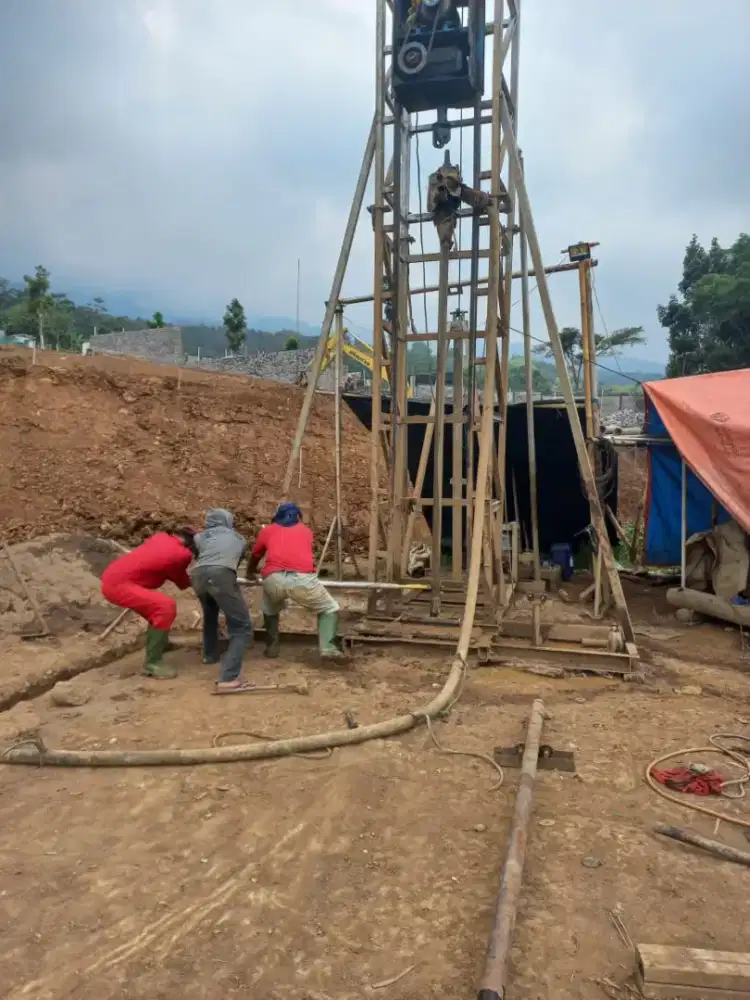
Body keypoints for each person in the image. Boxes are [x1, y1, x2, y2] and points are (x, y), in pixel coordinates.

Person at [247, 502, 343, 659]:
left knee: (270, 609)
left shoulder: (268, 531)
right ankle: (329, 649)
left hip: (273, 578)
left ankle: (272, 647)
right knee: (329, 609)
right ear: (298, 516)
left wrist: (250, 572)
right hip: (302, 579)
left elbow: (256, 554)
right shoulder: (306, 531)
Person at [101, 529, 196, 678]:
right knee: (164, 606)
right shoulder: (182, 554)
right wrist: (196, 582)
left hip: (113, 576)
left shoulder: (160, 537)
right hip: (119, 585)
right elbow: (180, 579)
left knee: (157, 609)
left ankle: (162, 644)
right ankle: (152, 664)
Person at [191, 508, 253, 694]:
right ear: (229, 521)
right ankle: (228, 677)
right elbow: (235, 562)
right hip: (222, 575)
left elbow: (199, 555)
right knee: (241, 627)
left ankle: (210, 656)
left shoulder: (199, 537)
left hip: (198, 576)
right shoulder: (239, 539)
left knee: (210, 615)